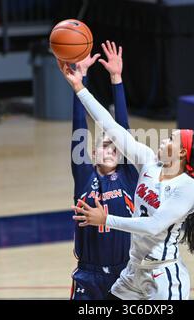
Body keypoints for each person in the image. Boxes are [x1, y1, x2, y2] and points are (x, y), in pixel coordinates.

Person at [60, 61, 194, 300]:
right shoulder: (147, 162)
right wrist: (80, 88)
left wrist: (107, 219)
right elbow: (111, 126)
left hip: (163, 275)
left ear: (183, 153)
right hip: (134, 271)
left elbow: (154, 225)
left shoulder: (188, 188)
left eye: (170, 140)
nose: (163, 141)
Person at [64, 41, 139, 300]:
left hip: (126, 275)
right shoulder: (85, 176)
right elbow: (79, 130)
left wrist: (116, 79)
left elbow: (123, 128)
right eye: (103, 146)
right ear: (92, 153)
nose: (110, 150)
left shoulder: (130, 176)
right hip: (89, 274)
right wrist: (79, 82)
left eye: (114, 146)